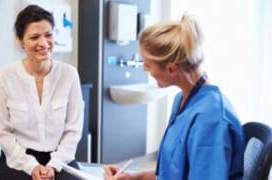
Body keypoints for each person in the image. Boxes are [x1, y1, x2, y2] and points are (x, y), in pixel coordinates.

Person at [104, 14, 245, 180]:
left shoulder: (211, 119)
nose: (144, 69)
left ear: (171, 69)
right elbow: (171, 173)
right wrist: (133, 178)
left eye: (148, 64)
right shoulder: (182, 100)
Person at [0, 5, 84, 180]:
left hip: (60, 157)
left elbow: (73, 130)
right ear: (20, 40)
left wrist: (54, 165)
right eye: (34, 37)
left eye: (48, 35)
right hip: (18, 158)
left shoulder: (69, 74)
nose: (44, 43)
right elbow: (3, 132)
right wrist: (31, 166)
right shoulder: (5, 77)